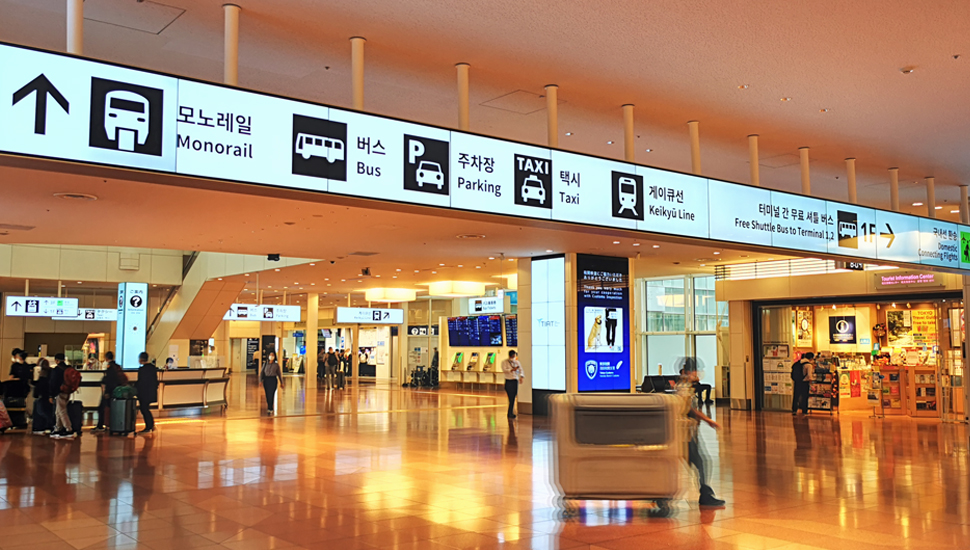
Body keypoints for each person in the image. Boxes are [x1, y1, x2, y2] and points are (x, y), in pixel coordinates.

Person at [678, 363, 725, 507]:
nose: (696, 374)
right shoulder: (683, 389)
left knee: (701, 462)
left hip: (687, 432)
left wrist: (707, 420)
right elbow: (688, 410)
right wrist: (708, 420)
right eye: (694, 372)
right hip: (684, 433)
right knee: (701, 462)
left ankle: (705, 493)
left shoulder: (685, 388)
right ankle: (705, 495)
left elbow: (690, 409)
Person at [92, 352, 125, 433]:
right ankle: (112, 424)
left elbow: (109, 381)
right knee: (113, 408)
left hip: (109, 391)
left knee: (101, 408)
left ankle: (100, 425)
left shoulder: (110, 368)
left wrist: (106, 392)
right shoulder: (117, 366)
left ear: (106, 358)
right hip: (117, 391)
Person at [48, 353, 75, 439]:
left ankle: (69, 429)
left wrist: (51, 395)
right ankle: (57, 428)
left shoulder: (56, 370)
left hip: (59, 392)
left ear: (56, 360)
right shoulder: (68, 369)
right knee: (58, 411)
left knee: (62, 411)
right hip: (68, 392)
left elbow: (52, 383)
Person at [135, 352, 158, 435]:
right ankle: (150, 425)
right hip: (151, 392)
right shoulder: (152, 368)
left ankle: (149, 426)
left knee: (144, 409)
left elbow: (141, 382)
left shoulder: (142, 370)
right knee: (145, 408)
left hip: (144, 393)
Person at [31, 358, 53, 435]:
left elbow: (35, 383)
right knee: (46, 410)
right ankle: (49, 426)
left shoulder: (40, 374)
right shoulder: (51, 372)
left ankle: (39, 427)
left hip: (40, 395)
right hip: (47, 395)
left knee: (39, 412)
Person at [500, 350, 523, 419]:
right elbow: (504, 370)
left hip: (514, 381)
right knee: (511, 397)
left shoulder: (517, 362)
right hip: (508, 381)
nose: (513, 357)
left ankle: (510, 412)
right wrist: (512, 370)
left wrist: (521, 376)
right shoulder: (504, 362)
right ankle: (510, 412)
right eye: (512, 356)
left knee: (514, 396)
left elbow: (521, 370)